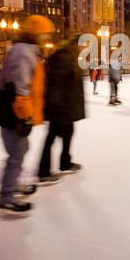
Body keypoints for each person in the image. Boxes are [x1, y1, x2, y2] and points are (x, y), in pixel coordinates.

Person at [0, 15, 54, 213]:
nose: (45, 36)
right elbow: (19, 86)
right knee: (16, 153)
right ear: (36, 32)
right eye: (44, 32)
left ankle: (13, 185)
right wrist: (24, 117)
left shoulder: (27, 49)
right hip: (13, 112)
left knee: (21, 150)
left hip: (16, 110)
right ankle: (7, 196)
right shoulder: (23, 50)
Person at [38, 36, 85, 183]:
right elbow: (57, 82)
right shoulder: (65, 56)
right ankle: (43, 172)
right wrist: (55, 105)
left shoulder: (71, 55)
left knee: (68, 133)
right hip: (60, 106)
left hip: (66, 105)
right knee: (52, 137)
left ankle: (65, 163)